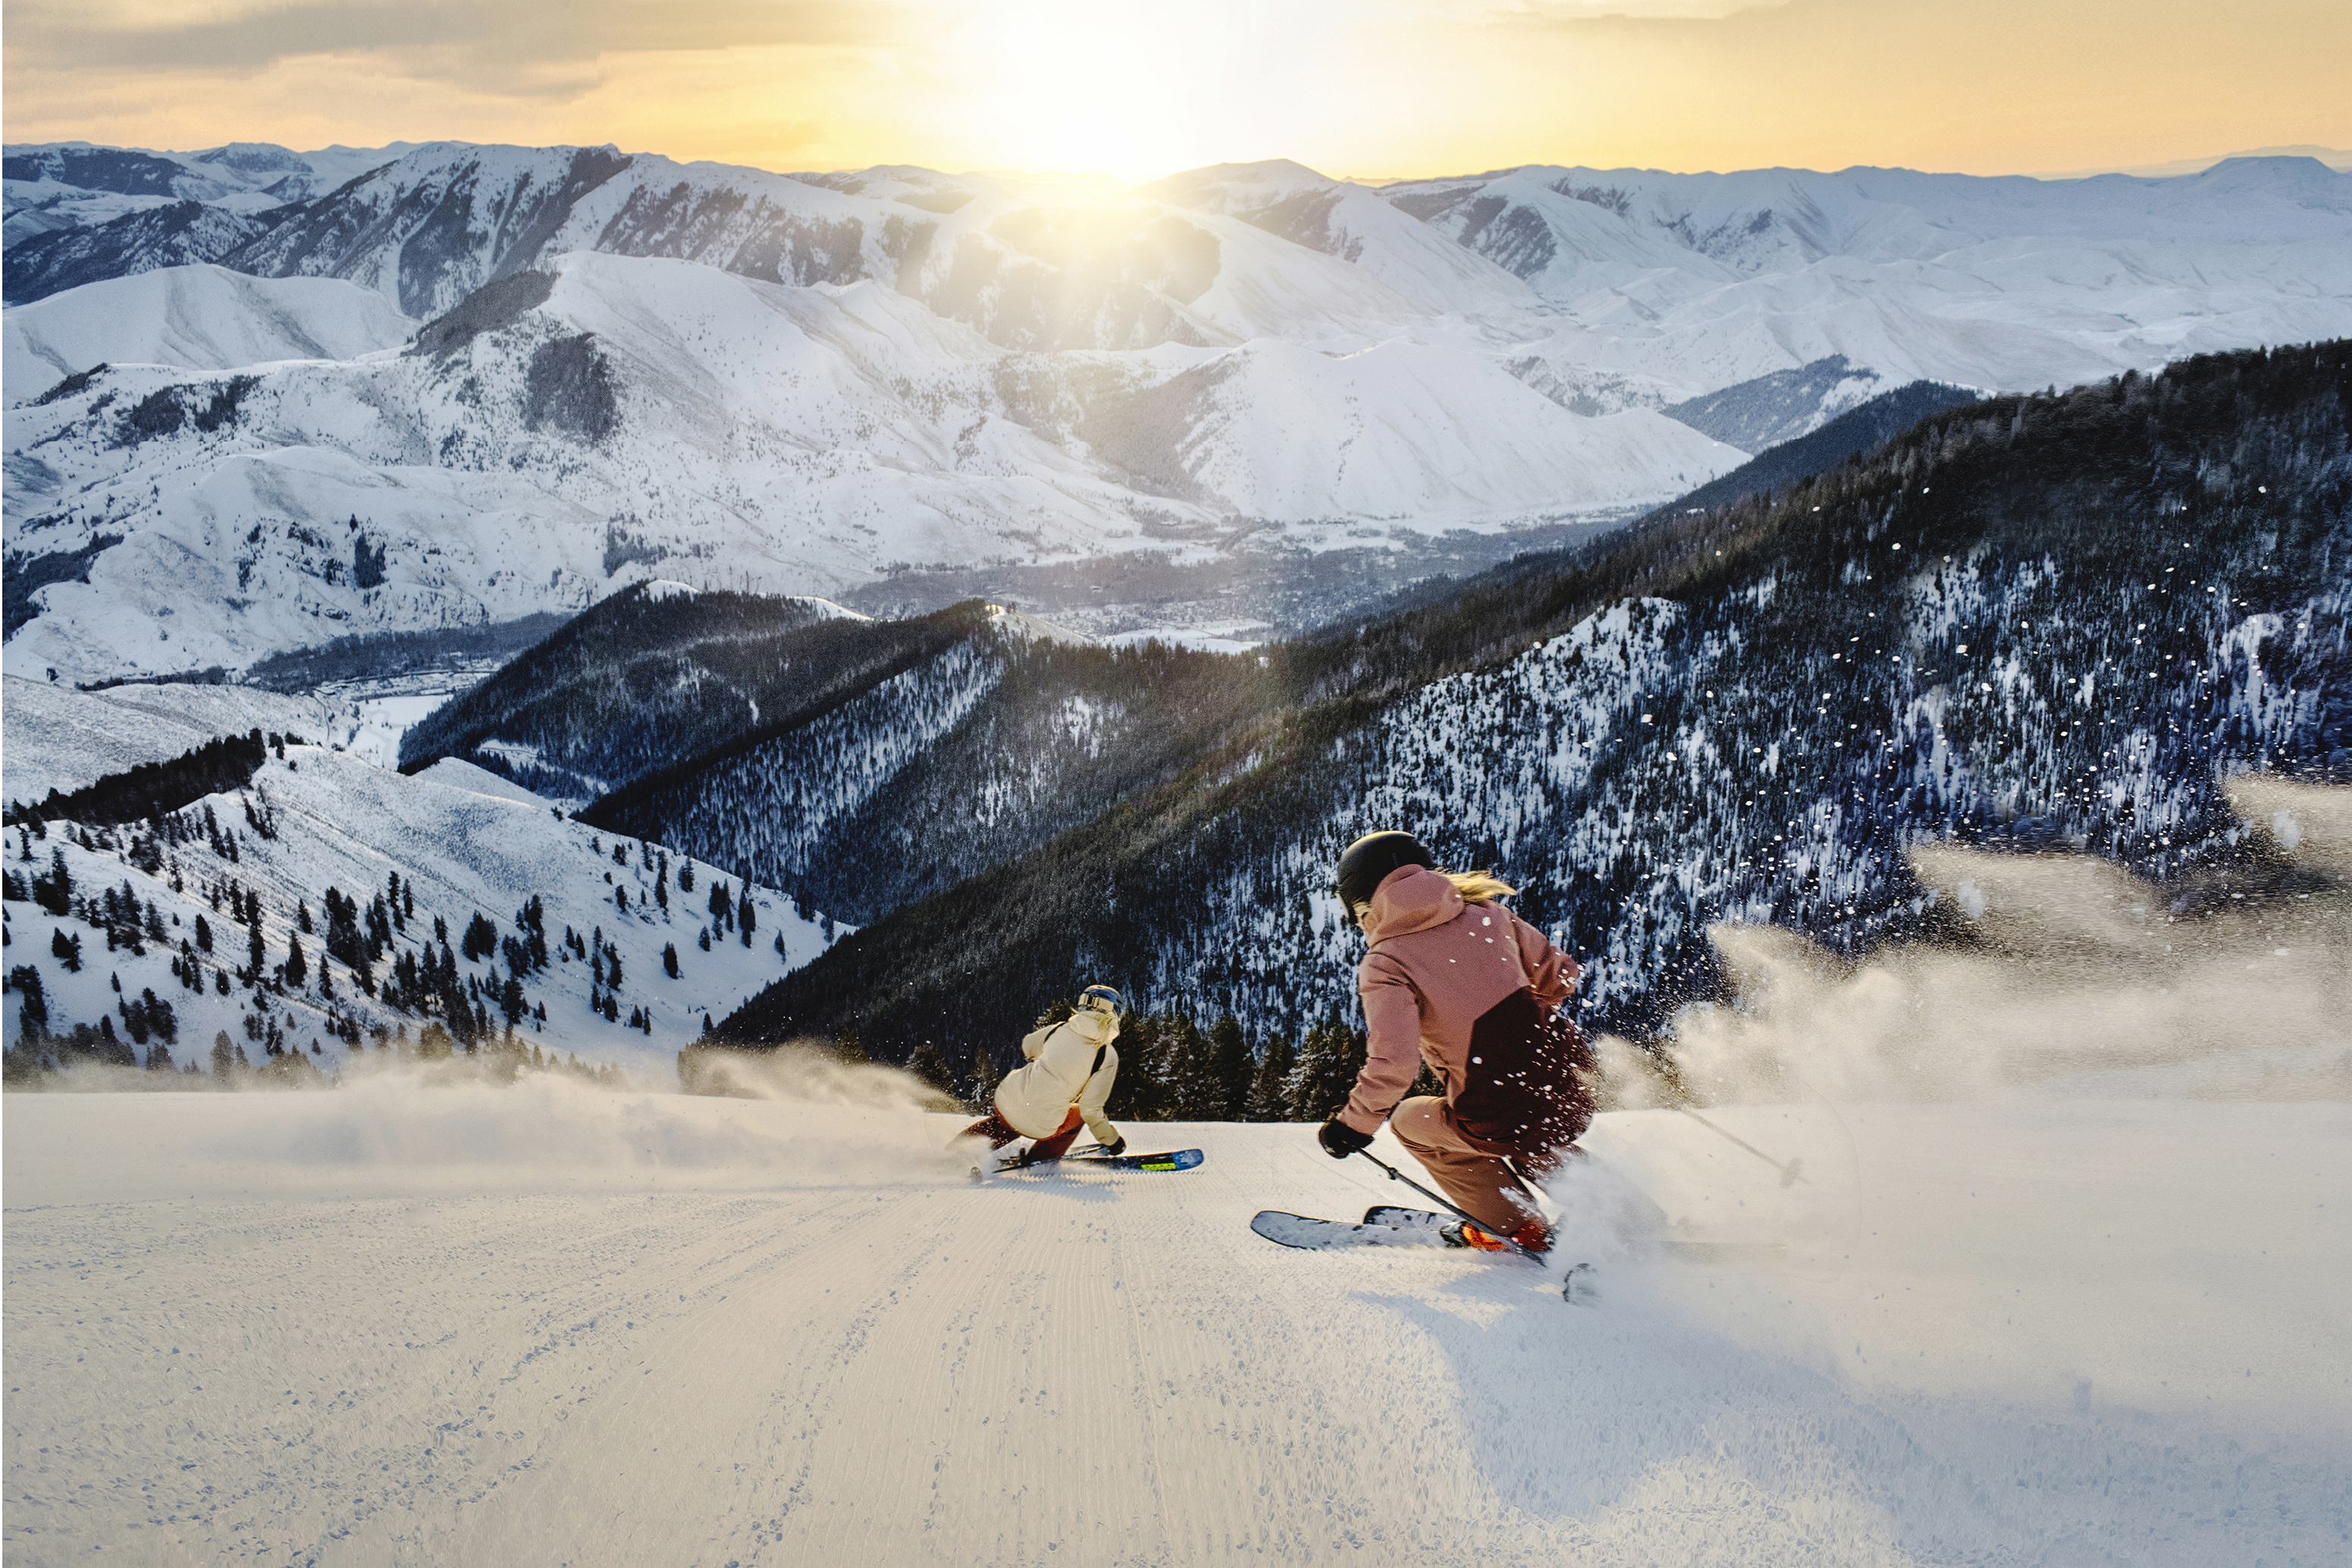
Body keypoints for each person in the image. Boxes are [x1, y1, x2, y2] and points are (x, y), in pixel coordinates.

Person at [1313, 831, 1595, 1253]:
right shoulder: (1490, 915)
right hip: (1568, 1080)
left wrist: (1352, 1127)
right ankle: (1608, 1202)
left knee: (1413, 1122)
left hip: (1497, 1106)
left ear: (1361, 900)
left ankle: (1516, 1225)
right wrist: (1523, 1013)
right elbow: (1563, 975)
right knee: (1531, 1125)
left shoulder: (1386, 961)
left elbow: (1394, 1063)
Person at [958, 984, 1127, 1165]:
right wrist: (1112, 1140)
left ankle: (955, 1152)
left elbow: (1028, 1046)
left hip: (1004, 1099)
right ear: (1114, 1013)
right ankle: (1039, 1161)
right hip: (1040, 1123)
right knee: (1076, 1115)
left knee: (1007, 1122)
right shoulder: (1106, 1055)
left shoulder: (1058, 1029)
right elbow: (1090, 1110)